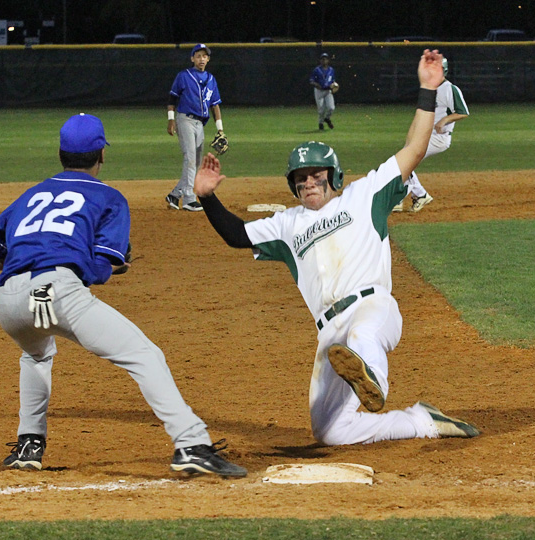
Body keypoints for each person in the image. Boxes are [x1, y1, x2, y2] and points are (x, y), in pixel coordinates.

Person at [193, 51, 480, 447]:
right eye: (300, 177)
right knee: (330, 431)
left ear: (335, 176)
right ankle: (420, 421)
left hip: (372, 308)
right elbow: (237, 235)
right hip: (330, 336)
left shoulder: (365, 195)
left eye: (316, 174)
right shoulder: (287, 225)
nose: (308, 182)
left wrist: (429, 89)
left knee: (362, 336)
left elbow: (414, 148)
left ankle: (373, 377)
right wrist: (207, 199)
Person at [0, 113, 246, 477]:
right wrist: (110, 264)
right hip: (58, 291)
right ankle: (191, 444)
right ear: (101, 155)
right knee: (144, 354)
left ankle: (29, 444)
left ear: (60, 153)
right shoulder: (108, 196)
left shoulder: (30, 195)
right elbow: (105, 265)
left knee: (36, 354)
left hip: (9, 301)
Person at [396, 57, 470, 212]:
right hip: (425, 135)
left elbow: (463, 112)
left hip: (438, 138)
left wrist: (445, 120)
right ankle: (415, 196)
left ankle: (410, 196)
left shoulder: (449, 88)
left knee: (406, 160)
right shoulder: (429, 89)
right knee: (404, 160)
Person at [165, 43, 225, 212]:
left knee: (196, 163)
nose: (201, 59)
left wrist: (220, 129)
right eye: (198, 56)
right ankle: (189, 199)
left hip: (200, 123)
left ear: (208, 59)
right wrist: (171, 120)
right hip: (185, 120)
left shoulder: (211, 79)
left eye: (204, 56)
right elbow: (172, 99)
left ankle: (175, 194)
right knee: (190, 158)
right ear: (192, 58)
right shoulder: (184, 76)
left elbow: (215, 105)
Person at [310, 52, 337, 131]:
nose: (324, 60)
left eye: (325, 59)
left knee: (331, 107)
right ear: (320, 61)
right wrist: (316, 84)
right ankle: (321, 123)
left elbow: (333, 81)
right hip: (319, 91)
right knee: (321, 110)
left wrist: (334, 86)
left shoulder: (331, 70)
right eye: (322, 59)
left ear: (328, 60)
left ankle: (327, 118)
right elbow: (311, 80)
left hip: (328, 91)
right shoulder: (317, 70)